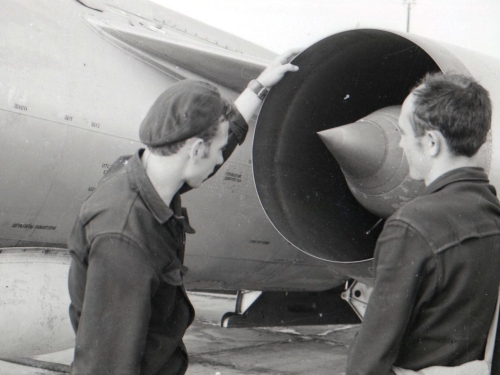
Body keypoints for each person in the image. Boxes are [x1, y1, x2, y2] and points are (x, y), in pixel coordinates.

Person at [67, 49, 300, 375]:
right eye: (217, 153)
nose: (221, 160)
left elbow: (222, 137)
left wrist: (258, 87)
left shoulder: (147, 176)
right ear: (196, 150)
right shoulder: (124, 240)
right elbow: (107, 366)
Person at [346, 73, 500, 375]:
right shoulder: (493, 215)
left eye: (403, 133)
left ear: (431, 142)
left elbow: (366, 366)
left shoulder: (411, 227)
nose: (401, 144)